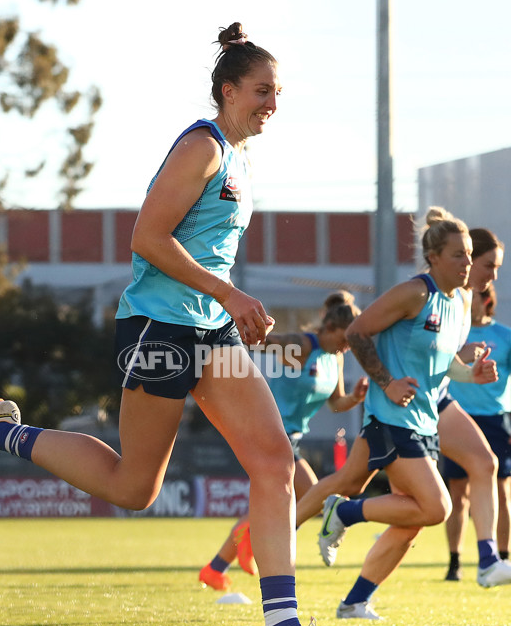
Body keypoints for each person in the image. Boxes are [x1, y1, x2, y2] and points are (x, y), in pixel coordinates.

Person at [0, 22, 360, 626]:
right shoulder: (204, 146)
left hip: (209, 330)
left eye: (279, 92)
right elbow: (148, 238)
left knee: (274, 462)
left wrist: (225, 305)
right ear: (228, 90)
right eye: (262, 91)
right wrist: (230, 293)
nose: (273, 103)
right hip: (159, 328)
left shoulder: (242, 159)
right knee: (135, 487)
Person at [292, 225, 509, 605]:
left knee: (404, 517)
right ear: (434, 257)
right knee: (437, 506)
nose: (469, 264)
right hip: (392, 417)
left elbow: (444, 366)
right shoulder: (415, 292)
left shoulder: (457, 301)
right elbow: (357, 332)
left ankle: (355, 602)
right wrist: (388, 382)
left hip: (424, 420)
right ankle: (342, 514)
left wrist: (469, 374)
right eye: (460, 255)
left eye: (471, 256)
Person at [198, 291, 368, 590]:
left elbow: (336, 403)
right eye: (345, 339)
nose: (347, 347)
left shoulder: (335, 359)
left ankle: (219, 565)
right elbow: (258, 341)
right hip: (270, 432)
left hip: (291, 437)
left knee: (293, 499)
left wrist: (355, 398)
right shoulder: (302, 346)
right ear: (329, 329)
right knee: (311, 496)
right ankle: (247, 541)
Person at [442, 282, 511, 579]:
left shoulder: (504, 336)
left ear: (488, 300)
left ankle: (499, 558)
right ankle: (455, 562)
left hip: (495, 418)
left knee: (500, 489)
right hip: (458, 415)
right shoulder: (457, 331)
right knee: (458, 494)